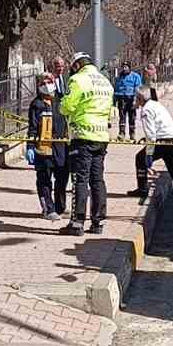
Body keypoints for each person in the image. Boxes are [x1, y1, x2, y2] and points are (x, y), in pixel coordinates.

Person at [60, 51, 114, 236]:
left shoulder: (77, 81)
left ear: (76, 65)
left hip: (82, 136)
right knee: (97, 180)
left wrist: (64, 106)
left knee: (79, 179)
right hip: (101, 137)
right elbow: (111, 111)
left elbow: (66, 106)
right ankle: (98, 222)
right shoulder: (105, 81)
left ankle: (77, 222)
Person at [130, 87, 173, 223]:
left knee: (140, 158)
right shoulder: (156, 105)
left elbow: (151, 134)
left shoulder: (146, 109)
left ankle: (143, 189)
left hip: (165, 143)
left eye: (135, 98)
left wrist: (149, 154)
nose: (134, 100)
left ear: (140, 98)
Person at [26, 73, 68, 220]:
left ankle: (60, 207)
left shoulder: (61, 100)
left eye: (50, 81)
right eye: (44, 82)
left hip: (61, 148)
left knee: (62, 179)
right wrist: (30, 146)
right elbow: (32, 127)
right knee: (44, 180)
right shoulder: (36, 104)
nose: (48, 84)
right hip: (43, 149)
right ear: (39, 85)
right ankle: (48, 209)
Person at [114, 62, 143, 141]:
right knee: (122, 117)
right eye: (123, 67)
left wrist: (136, 100)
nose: (124, 68)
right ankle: (122, 133)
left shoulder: (135, 76)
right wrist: (115, 100)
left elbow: (138, 88)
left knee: (132, 117)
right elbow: (116, 88)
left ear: (129, 68)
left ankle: (132, 134)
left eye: (126, 67)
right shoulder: (119, 77)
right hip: (122, 99)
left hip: (131, 99)